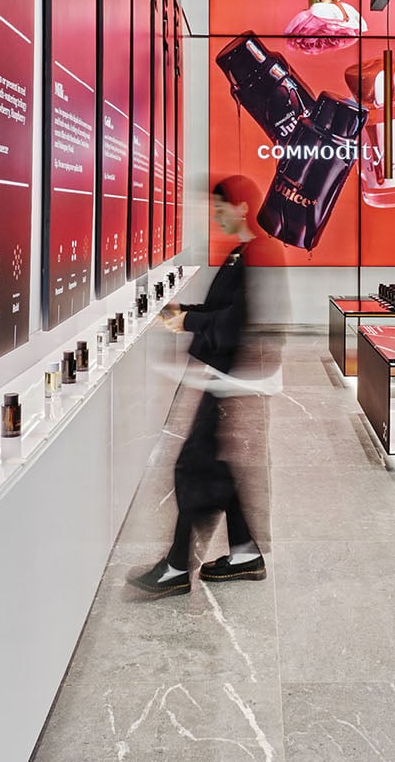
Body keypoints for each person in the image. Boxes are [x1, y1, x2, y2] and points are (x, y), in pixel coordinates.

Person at [128, 175, 269, 596]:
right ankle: (245, 553)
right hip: (221, 378)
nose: (216, 215)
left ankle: (176, 567)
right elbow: (218, 310)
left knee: (192, 467)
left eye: (220, 208)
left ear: (242, 207)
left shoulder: (255, 255)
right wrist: (182, 311)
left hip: (226, 381)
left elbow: (230, 324)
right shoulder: (240, 256)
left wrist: (188, 320)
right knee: (211, 469)